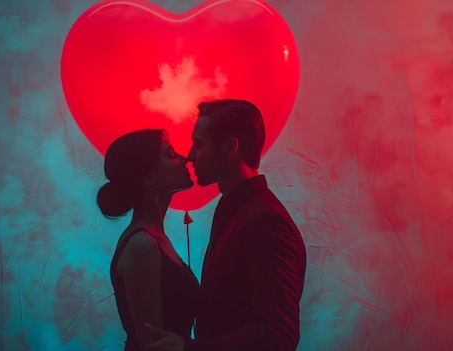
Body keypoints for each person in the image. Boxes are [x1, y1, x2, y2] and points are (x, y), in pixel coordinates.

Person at [144, 99, 307, 351]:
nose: (189, 155)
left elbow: (280, 334)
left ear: (230, 147)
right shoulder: (234, 208)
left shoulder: (266, 221)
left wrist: (190, 349)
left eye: (199, 144)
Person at [97, 129, 201, 351]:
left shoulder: (155, 239)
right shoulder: (142, 245)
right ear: (149, 177)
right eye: (171, 154)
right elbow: (154, 344)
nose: (185, 159)